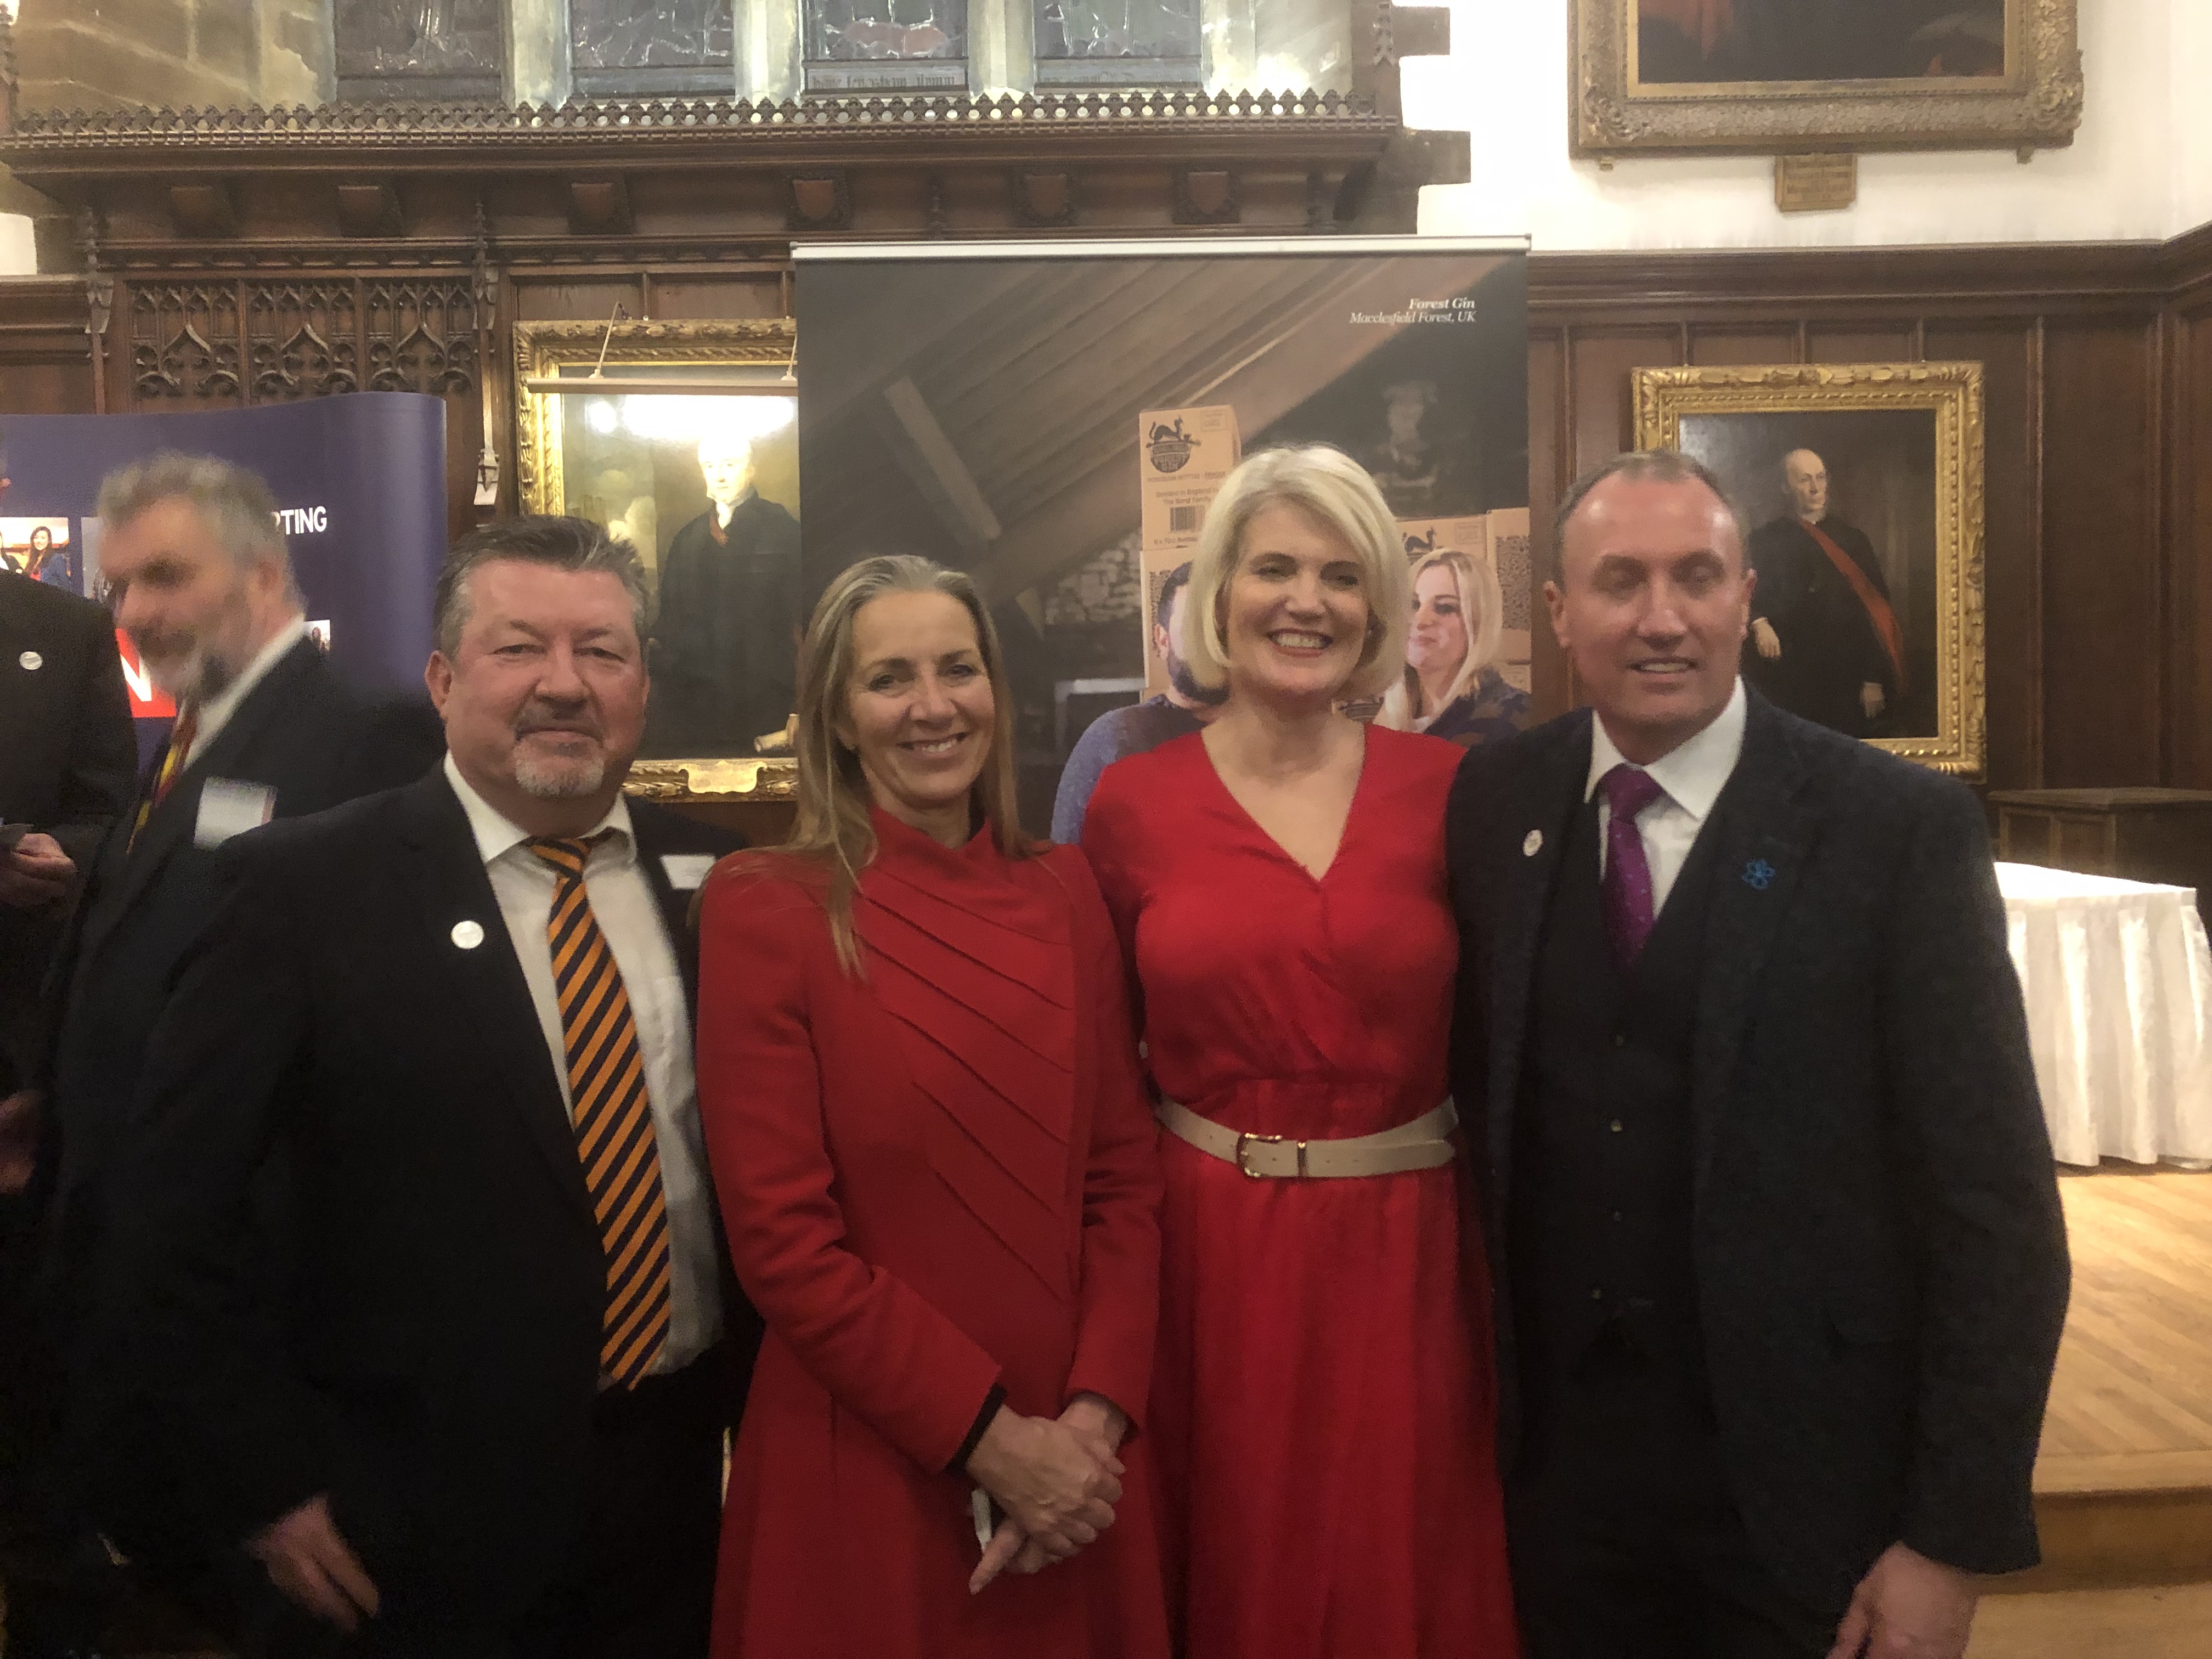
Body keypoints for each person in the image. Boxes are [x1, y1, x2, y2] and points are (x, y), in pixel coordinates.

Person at [1446, 450, 2069, 1659]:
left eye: (1699, 577)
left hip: (1807, 1488)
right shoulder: (1494, 801)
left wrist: (1949, 1542)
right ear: (1561, 611)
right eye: (1620, 581)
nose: (1662, 617)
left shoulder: (1895, 829)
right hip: (1556, 1483)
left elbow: (1995, 1210)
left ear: (1748, 599)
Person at [94, 515, 754, 1655]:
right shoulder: (300, 893)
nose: (564, 684)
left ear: (643, 682)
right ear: (445, 680)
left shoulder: (731, 889)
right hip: (405, 1524)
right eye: (518, 649)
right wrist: (263, 1486)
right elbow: (168, 1217)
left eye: (601, 651)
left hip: (679, 1493)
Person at [1, 453, 443, 1654]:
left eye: (164, 577)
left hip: (271, 1374)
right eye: (120, 585)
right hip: (152, 1364)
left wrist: (270, 1452)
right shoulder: (193, 736)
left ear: (261, 573)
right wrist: (61, 1103)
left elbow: (373, 1096)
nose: (132, 613)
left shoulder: (366, 736)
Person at [1084, 446, 1520, 1658]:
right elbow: (1100, 1077)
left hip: (1413, 1259)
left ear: (1378, 609)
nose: (1305, 601)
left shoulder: (1458, 793)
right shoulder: (1133, 804)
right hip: (1203, 1261)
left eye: (1340, 575)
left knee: (1404, 1570)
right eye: (1272, 567)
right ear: (1217, 596)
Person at [695, 554, 1167, 1658]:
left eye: (959, 670)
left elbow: (1123, 1180)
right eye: (889, 680)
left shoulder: (1064, 892)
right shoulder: (767, 905)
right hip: (869, 1452)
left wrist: (1092, 1426)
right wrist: (992, 1443)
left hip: (1076, 1462)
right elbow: (783, 1246)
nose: (933, 706)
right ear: (838, 718)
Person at [0, 551, 135, 1659]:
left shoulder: (68, 628)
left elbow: (114, 821)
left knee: (30, 1371)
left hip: (20, 1066)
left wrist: (72, 858)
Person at [647, 430, 802, 758]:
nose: (719, 475)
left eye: (730, 465)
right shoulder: (688, 538)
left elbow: (807, 623)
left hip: (768, 696)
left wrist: (799, 706)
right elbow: (671, 624)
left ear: (750, 470)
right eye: (709, 465)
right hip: (698, 703)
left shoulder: (784, 532)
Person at [1049, 561, 1224, 843]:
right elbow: (1069, 872)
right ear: (1162, 639)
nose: (1210, 642)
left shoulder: (1267, 739)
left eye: (1221, 628)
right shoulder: (1117, 738)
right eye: (1193, 626)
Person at [1745, 448, 1907, 738]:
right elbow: (1740, 592)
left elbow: (1875, 615)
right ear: (1786, 487)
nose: (1815, 488)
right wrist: (1758, 622)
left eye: (1820, 478)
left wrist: (1873, 680)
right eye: (1805, 480)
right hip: (1786, 676)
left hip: (1845, 676)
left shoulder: (1853, 541)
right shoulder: (1765, 540)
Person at [1376, 546, 1532, 749]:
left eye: (1444, 608)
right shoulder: (1386, 712)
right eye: (1414, 604)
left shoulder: (1514, 720)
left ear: (1478, 624)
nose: (1420, 620)